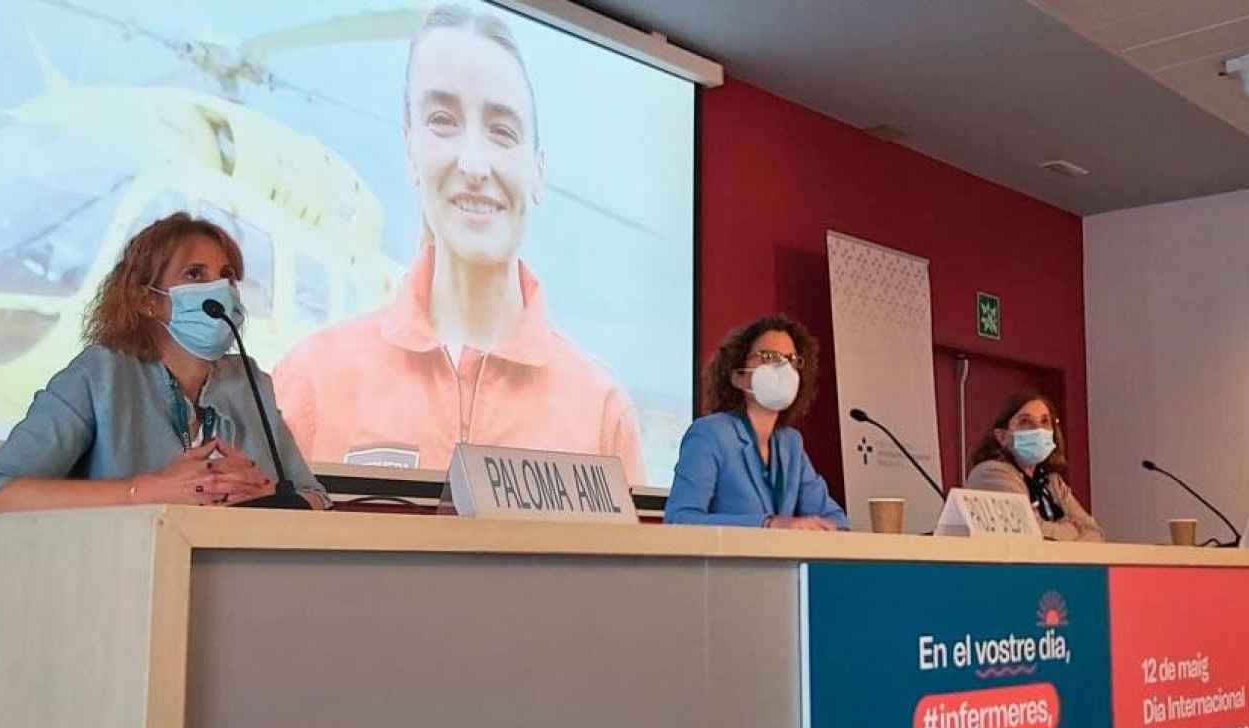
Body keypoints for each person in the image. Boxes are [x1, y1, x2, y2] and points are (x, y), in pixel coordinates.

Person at [272, 3, 646, 484]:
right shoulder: (309, 382)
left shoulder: (601, 408)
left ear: (538, 169)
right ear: (410, 149)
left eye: (502, 131)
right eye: (443, 120)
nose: (473, 163)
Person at [0, 213, 330, 514]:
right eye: (195, 274)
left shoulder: (251, 383)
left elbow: (316, 497)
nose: (220, 288)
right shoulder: (100, 374)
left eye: (227, 275)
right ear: (147, 300)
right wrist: (148, 491)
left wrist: (273, 500)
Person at [664, 315, 849, 529]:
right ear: (738, 376)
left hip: (781, 563)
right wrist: (767, 524)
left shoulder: (791, 443)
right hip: (726, 562)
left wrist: (827, 527)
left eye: (791, 359)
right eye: (769, 357)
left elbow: (836, 519)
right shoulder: (709, 433)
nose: (783, 368)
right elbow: (679, 519)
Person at [964, 392, 1103, 541]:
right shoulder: (991, 473)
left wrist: (1058, 530)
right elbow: (1030, 532)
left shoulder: (1053, 482)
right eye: (1025, 422)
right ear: (1002, 437)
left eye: (1045, 421)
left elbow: (1095, 534)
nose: (1038, 429)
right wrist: (1072, 528)